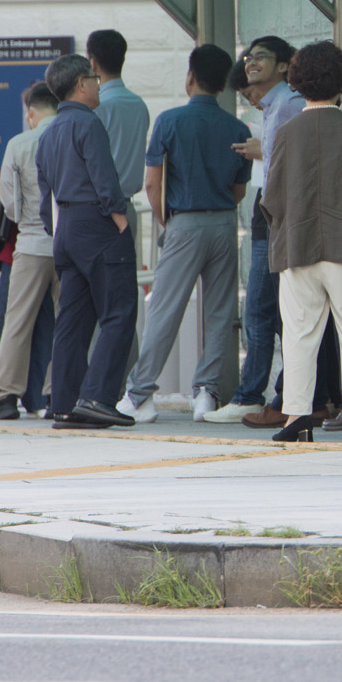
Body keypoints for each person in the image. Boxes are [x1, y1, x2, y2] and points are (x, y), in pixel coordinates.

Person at [261, 41, 342, 444]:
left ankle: (297, 415)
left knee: (299, 333)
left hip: (297, 242)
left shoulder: (286, 131)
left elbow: (272, 195)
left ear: (298, 82)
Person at [118, 45, 252, 424]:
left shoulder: (169, 121)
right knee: (219, 310)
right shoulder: (237, 127)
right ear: (224, 84)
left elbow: (152, 181)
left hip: (184, 222)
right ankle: (206, 394)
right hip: (224, 222)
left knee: (165, 309)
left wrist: (168, 222)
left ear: (190, 77)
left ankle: (140, 394)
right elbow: (239, 190)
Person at [36, 52, 138, 429]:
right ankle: (97, 397)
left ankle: (64, 405)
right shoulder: (89, 124)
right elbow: (104, 176)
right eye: (94, 79)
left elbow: (43, 195)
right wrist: (120, 221)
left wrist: (57, 230)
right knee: (119, 312)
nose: (98, 84)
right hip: (97, 223)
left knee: (72, 322)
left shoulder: (48, 134)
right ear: (82, 84)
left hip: (65, 229)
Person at [208, 37, 303, 426]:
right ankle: (270, 394)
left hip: (281, 211)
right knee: (267, 308)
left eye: (261, 57)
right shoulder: (274, 105)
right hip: (269, 208)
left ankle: (257, 394)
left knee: (267, 308)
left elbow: (297, 156)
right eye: (249, 57)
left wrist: (263, 150)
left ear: (284, 66)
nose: (251, 62)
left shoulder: (291, 103)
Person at [0, 83, 60, 420]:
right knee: (65, 321)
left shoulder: (19, 143)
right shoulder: (73, 134)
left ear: (30, 113)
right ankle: (58, 395)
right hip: (69, 244)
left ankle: (6, 396)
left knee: (17, 321)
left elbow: (8, 204)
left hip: (31, 242)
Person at [86, 29, 150, 202]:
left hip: (99, 208)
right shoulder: (139, 105)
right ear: (123, 59)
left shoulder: (96, 106)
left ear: (92, 63)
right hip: (128, 205)